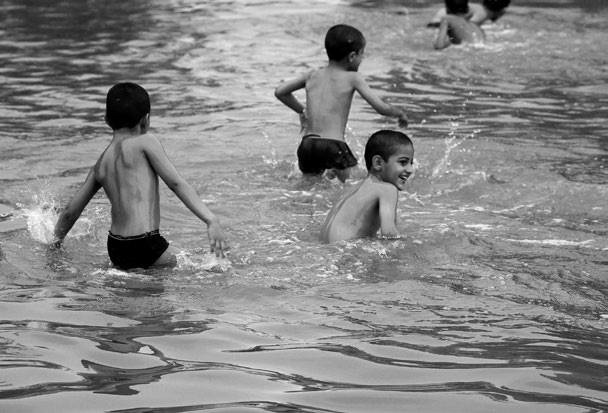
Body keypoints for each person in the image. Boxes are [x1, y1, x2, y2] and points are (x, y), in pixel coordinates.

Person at [52, 82, 227, 270]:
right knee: (212, 267)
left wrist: (55, 244)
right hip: (146, 244)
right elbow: (176, 183)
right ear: (146, 120)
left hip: (116, 248)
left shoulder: (101, 163)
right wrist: (211, 219)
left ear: (106, 119)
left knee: (144, 281)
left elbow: (71, 211)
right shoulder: (146, 141)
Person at [274, 24, 408, 183]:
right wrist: (399, 113)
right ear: (352, 56)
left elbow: (280, 92)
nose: (362, 59)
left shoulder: (312, 75)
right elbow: (380, 107)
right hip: (333, 146)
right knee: (357, 185)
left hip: (307, 146)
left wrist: (302, 111)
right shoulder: (353, 77)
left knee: (308, 188)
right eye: (362, 54)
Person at [320, 130, 414, 243]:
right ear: (378, 163)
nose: (410, 170)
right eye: (403, 162)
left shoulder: (353, 189)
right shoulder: (387, 189)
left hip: (325, 250)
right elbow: (389, 234)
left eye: (411, 163)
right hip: (347, 254)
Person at [427, 0, 511, 27]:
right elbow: (469, 26)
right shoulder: (483, 14)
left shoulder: (480, 9)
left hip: (443, 13)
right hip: (447, 16)